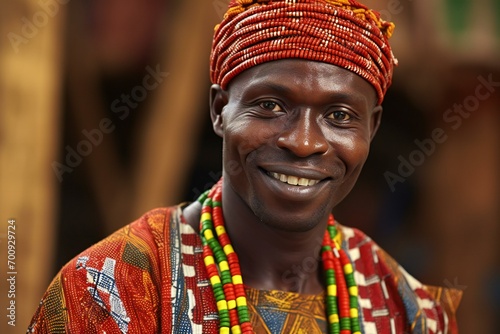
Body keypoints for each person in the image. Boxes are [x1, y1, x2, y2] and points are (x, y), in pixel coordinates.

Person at [28, 0, 462, 333]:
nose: (304, 142)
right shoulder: (112, 290)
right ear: (220, 111)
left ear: (373, 127)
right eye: (270, 106)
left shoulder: (409, 309)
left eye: (339, 116)